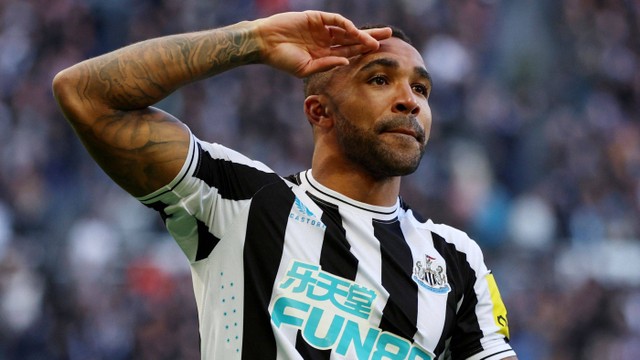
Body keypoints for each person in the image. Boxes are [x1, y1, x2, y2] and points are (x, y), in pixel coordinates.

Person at [52, 10, 517, 360]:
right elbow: (87, 95)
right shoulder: (239, 201)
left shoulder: (458, 261)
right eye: (380, 80)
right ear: (320, 112)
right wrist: (256, 39)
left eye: (422, 90)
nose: (409, 102)